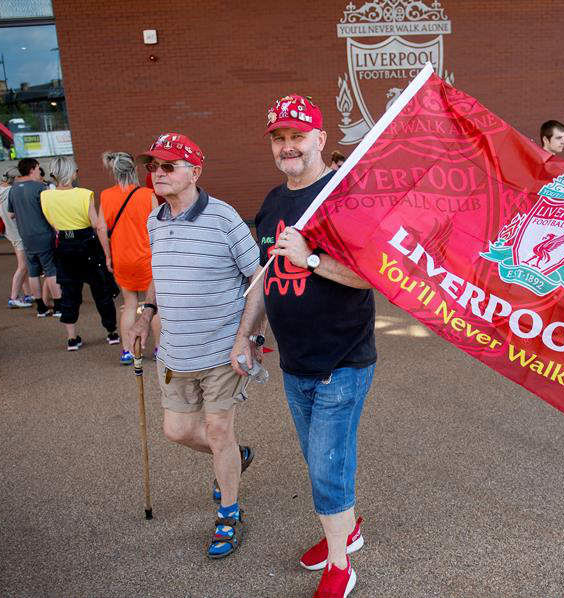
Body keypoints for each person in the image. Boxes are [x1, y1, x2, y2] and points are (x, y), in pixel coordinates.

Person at [232, 95, 376, 598]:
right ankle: (348, 531)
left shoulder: (344, 196)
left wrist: (311, 258)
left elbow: (366, 277)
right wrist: (248, 335)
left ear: (320, 139)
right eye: (279, 137)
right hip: (295, 362)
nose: (288, 146)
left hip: (341, 360)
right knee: (321, 461)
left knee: (326, 465)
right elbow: (265, 276)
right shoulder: (273, 202)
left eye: (298, 135)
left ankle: (341, 564)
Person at [128, 132, 260, 559]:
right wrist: (145, 314)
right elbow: (159, 276)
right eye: (154, 166)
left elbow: (258, 280)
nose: (158, 174)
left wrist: (247, 339)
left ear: (194, 172)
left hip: (221, 350)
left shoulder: (224, 218)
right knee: (177, 430)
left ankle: (229, 512)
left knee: (218, 430)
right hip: (175, 352)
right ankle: (234, 457)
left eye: (168, 166)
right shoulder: (155, 219)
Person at [40, 156, 120, 351]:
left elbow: (52, 222)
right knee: (100, 289)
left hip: (64, 246)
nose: (77, 173)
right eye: (76, 170)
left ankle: (72, 338)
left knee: (69, 291)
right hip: (86, 243)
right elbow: (95, 223)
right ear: (70, 173)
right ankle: (111, 332)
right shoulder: (85, 194)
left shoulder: (45, 196)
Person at [98, 151, 160, 365]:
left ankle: (127, 350)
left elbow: (100, 227)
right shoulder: (147, 194)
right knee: (154, 304)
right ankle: (159, 348)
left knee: (129, 303)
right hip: (146, 257)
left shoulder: (106, 196)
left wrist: (108, 256)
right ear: (133, 170)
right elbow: (157, 227)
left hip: (121, 257)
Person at [7, 158, 62, 317]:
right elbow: (50, 211)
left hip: (26, 235)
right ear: (32, 169)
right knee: (51, 270)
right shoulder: (41, 187)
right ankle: (58, 307)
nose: (39, 171)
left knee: (33, 271)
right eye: (38, 168)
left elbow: (11, 214)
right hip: (43, 234)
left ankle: (41, 308)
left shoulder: (14, 189)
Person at [0, 167, 33, 308]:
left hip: (9, 231)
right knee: (22, 266)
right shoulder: (12, 192)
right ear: (15, 179)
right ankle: (13, 298)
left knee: (24, 265)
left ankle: (28, 294)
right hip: (18, 231)